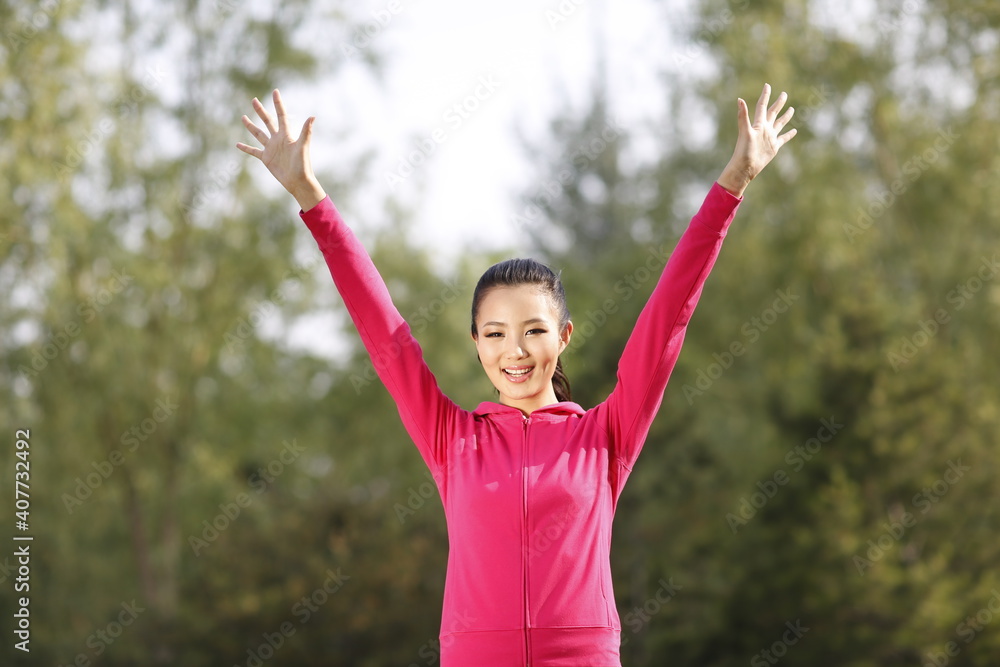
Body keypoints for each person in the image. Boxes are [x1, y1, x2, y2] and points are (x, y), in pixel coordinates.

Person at [237, 83, 795, 667]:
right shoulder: (452, 440)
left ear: (564, 336)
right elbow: (385, 334)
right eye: (496, 334)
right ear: (477, 345)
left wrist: (732, 185)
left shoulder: (604, 437)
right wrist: (310, 197)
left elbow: (667, 317)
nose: (516, 351)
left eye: (533, 330)